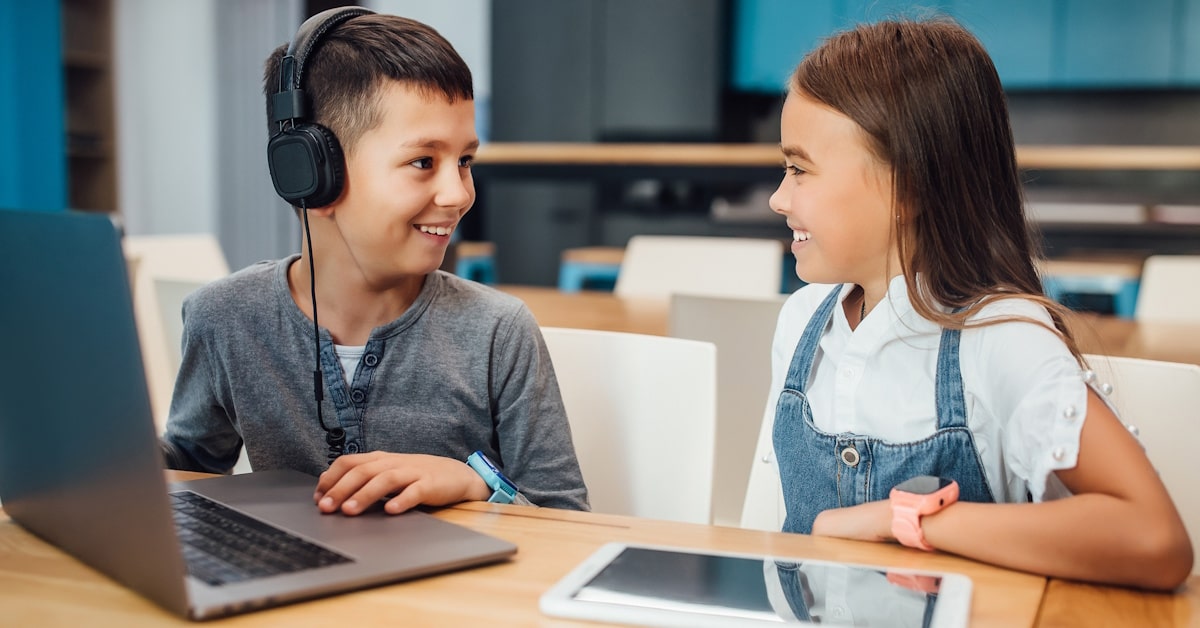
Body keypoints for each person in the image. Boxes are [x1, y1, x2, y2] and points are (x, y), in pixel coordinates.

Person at [763, 18, 1192, 590]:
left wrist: (908, 520)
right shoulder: (801, 322)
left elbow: (1154, 540)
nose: (778, 197)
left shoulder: (1002, 339)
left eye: (799, 170)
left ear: (908, 188)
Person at [160, 8, 588, 516]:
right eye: (423, 162)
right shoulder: (225, 318)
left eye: (465, 161)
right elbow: (189, 466)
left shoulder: (498, 332)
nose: (458, 194)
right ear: (312, 173)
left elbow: (566, 518)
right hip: (294, 585)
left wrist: (472, 483)